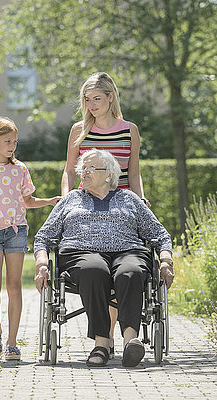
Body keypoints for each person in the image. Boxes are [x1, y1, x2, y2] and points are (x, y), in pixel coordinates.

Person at [35, 149, 174, 367]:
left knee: (132, 271)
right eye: (83, 168)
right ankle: (101, 343)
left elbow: (159, 234)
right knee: (94, 270)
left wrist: (166, 261)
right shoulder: (71, 199)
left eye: (91, 168)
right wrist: (42, 263)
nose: (84, 172)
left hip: (128, 251)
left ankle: (131, 341)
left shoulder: (129, 199)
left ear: (109, 174)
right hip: (81, 253)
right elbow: (43, 236)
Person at [61, 72, 150, 357]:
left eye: (97, 99)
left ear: (111, 97)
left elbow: (133, 173)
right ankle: (105, 338)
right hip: (88, 206)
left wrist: (140, 200)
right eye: (87, 100)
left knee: (123, 264)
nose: (91, 105)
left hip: (122, 207)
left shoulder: (129, 130)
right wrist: (66, 200)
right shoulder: (79, 131)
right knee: (96, 265)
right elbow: (69, 170)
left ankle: (112, 338)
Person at [0, 116, 60, 361]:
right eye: (7, 141)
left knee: (14, 286)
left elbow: (27, 201)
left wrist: (48, 201)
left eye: (15, 142)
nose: (12, 146)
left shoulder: (20, 170)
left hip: (16, 231)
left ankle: (12, 342)